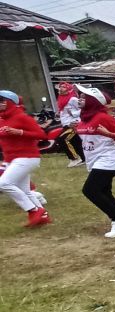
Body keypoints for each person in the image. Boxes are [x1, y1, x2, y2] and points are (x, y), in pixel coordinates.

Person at [75, 86, 115, 238]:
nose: (79, 99)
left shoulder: (103, 117)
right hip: (94, 159)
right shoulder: (83, 117)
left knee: (90, 190)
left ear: (92, 101)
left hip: (109, 159)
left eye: (83, 97)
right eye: (79, 96)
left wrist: (108, 134)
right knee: (104, 191)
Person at [0, 90, 52, 227]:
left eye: (2, 100)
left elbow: (41, 135)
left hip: (27, 156)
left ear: (10, 102)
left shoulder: (21, 117)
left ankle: (34, 210)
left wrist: (20, 132)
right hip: (11, 158)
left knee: (4, 183)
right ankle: (44, 216)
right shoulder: (2, 119)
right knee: (25, 190)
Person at [55, 81, 86, 167]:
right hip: (66, 124)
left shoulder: (73, 99)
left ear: (68, 89)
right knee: (76, 142)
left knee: (61, 139)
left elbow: (83, 108)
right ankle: (84, 158)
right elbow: (64, 111)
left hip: (73, 124)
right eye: (60, 87)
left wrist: (73, 113)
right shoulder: (61, 99)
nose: (61, 88)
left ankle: (74, 158)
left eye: (64, 87)